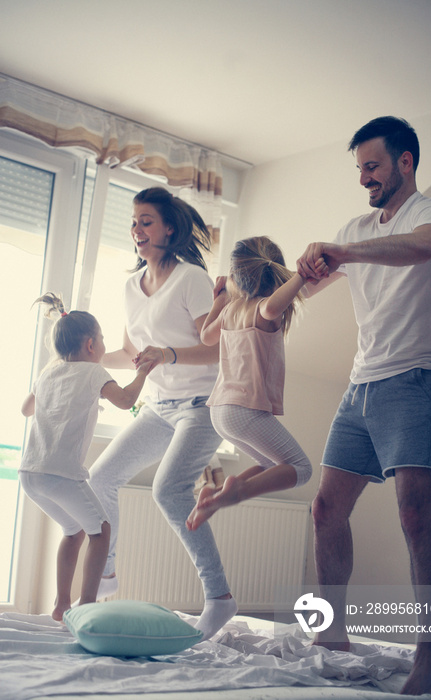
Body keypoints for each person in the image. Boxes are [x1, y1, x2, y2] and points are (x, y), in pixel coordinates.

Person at [297, 116, 431, 696]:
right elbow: (312, 285)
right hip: (360, 387)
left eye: (373, 166)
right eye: (360, 168)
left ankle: (430, 657)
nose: (364, 177)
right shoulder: (357, 226)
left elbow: (421, 250)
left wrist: (344, 250)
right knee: (324, 509)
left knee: (416, 517)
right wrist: (283, 282)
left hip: (417, 382)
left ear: (406, 162)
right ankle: (332, 632)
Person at [88, 187, 237, 640]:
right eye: (134, 221)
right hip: (157, 407)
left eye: (146, 221)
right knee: (100, 477)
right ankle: (107, 574)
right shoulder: (130, 288)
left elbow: (216, 351)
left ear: (169, 228)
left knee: (168, 490)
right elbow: (133, 351)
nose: (137, 229)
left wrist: (168, 354)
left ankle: (219, 599)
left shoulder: (191, 278)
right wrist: (85, 358)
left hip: (200, 406)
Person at [19, 293, 154, 622]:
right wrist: (143, 373)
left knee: (73, 530)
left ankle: (61, 604)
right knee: (101, 531)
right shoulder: (95, 373)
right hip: (62, 474)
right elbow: (125, 401)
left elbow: (27, 409)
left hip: (30, 474)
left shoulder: (48, 374)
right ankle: (87, 606)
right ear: (91, 345)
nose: (105, 346)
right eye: (104, 340)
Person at [186, 236, 312, 531]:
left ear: (237, 277)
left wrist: (219, 299)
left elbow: (206, 337)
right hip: (244, 410)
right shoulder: (265, 310)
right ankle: (237, 493)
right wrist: (302, 275)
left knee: (272, 466)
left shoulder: (231, 310)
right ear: (274, 271)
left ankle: (215, 495)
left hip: (220, 412)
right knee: (301, 469)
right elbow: (275, 305)